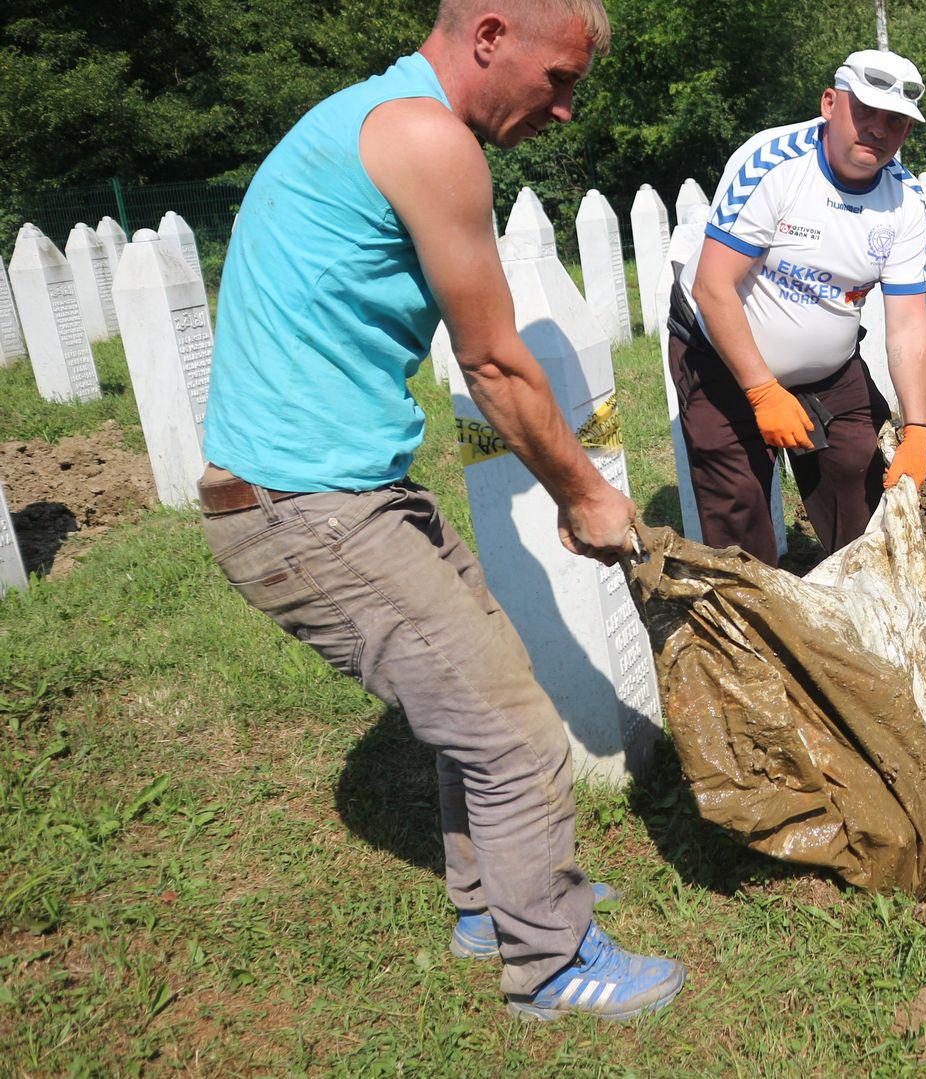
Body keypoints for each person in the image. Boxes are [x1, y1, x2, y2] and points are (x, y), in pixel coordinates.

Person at [196, 0, 683, 1021]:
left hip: (349, 486)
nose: (562, 114)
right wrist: (587, 493)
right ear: (492, 35)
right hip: (308, 505)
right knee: (514, 735)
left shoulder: (376, 116)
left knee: (488, 689)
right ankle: (550, 963)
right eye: (558, 81)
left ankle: (490, 905)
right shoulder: (429, 138)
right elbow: (498, 364)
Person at [669, 49, 926, 565]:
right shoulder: (773, 165)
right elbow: (712, 286)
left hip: (829, 369)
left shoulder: (905, 200)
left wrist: (918, 429)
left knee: (861, 490)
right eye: (865, 112)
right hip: (723, 362)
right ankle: (754, 633)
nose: (878, 131)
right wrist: (762, 389)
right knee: (737, 513)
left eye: (896, 122)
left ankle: (861, 616)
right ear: (830, 104)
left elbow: (908, 322)